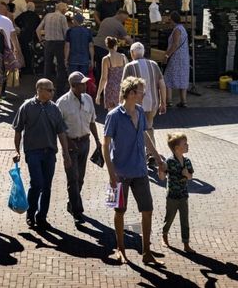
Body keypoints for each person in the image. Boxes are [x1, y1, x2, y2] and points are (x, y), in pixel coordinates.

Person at [103, 76, 168, 265]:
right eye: (142, 91)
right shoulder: (113, 116)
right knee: (119, 210)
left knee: (147, 210)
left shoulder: (140, 110)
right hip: (120, 174)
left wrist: (157, 157)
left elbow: (145, 135)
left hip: (140, 170)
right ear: (131, 93)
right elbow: (105, 146)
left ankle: (146, 252)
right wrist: (111, 174)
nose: (144, 94)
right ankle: (120, 248)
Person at [13, 78, 71, 229]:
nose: (53, 93)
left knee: (47, 186)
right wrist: (16, 150)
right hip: (33, 152)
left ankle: (42, 217)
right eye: (49, 90)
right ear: (39, 90)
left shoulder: (54, 108)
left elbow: (61, 132)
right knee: (37, 183)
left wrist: (66, 153)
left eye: (53, 90)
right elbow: (18, 130)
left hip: (50, 153)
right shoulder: (26, 107)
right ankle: (31, 213)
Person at [56, 71, 100, 228]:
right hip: (71, 146)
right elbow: (58, 128)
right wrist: (66, 146)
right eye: (82, 83)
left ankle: (72, 202)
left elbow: (93, 121)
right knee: (72, 178)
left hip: (85, 143)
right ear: (73, 86)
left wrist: (97, 141)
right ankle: (77, 211)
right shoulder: (62, 103)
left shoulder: (88, 99)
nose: (85, 85)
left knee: (80, 178)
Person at [122, 42, 166, 153]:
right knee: (149, 127)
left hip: (136, 104)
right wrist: (163, 102)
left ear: (132, 53)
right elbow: (162, 84)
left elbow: (123, 87)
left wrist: (121, 103)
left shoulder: (129, 66)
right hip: (152, 103)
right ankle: (151, 152)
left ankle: (139, 153)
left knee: (136, 128)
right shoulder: (154, 64)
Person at [162, 132, 195, 253]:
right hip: (172, 196)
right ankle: (164, 235)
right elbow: (162, 176)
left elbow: (190, 176)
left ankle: (186, 244)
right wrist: (160, 171)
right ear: (177, 148)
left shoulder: (187, 161)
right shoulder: (169, 162)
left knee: (184, 220)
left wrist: (187, 175)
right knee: (169, 217)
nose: (187, 145)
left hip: (183, 195)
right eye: (185, 144)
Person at [37, 1, 70, 90]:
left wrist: (41, 40)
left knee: (47, 65)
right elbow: (66, 32)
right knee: (60, 66)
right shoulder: (62, 17)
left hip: (48, 42)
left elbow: (38, 29)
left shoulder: (47, 16)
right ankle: (60, 88)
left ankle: (45, 87)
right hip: (59, 43)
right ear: (63, 10)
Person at [93, 9, 132, 81]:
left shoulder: (106, 20)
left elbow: (110, 32)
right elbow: (128, 39)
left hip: (96, 46)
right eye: (125, 19)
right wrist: (134, 45)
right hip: (105, 48)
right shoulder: (119, 25)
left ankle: (98, 87)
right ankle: (104, 88)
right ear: (121, 16)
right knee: (106, 70)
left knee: (99, 68)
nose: (125, 21)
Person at [163, 11, 191, 108]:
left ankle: (169, 101)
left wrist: (167, 56)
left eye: (169, 19)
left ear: (172, 20)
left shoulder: (177, 30)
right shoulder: (182, 29)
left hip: (176, 57)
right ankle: (183, 101)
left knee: (167, 78)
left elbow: (175, 44)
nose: (168, 21)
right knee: (182, 78)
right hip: (183, 57)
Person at [95, 36, 127, 110]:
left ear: (107, 46)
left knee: (111, 112)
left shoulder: (106, 59)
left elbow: (104, 78)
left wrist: (98, 94)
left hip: (110, 87)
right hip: (122, 87)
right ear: (116, 46)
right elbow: (127, 72)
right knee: (122, 111)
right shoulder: (123, 57)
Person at [64, 12, 94, 82]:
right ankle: (83, 92)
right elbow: (91, 46)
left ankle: (74, 92)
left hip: (73, 59)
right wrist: (92, 59)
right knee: (83, 80)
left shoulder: (70, 31)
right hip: (85, 59)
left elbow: (67, 46)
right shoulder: (88, 31)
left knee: (73, 79)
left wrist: (66, 59)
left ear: (75, 21)